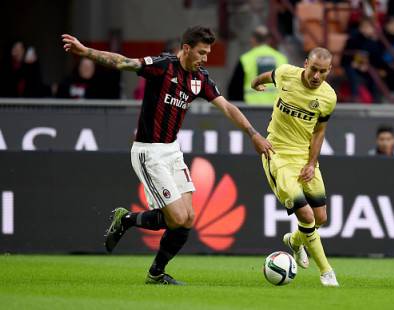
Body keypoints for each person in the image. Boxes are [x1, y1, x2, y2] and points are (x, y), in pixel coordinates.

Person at [62, 26, 273, 285]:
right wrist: (86, 52)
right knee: (175, 218)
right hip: (148, 152)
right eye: (201, 52)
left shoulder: (200, 79)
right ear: (186, 48)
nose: (205, 58)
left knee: (188, 219)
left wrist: (253, 134)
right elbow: (123, 62)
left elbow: (227, 107)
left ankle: (156, 274)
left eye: (208, 53)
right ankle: (126, 219)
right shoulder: (162, 66)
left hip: (172, 151)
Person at [251, 47, 339, 287]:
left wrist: (312, 163)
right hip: (276, 153)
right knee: (307, 214)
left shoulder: (328, 97)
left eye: (323, 72)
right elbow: (268, 76)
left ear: (329, 70)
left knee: (320, 217)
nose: (316, 76)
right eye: (313, 70)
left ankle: (294, 241)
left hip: (303, 157)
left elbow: (320, 131)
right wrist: (255, 83)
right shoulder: (286, 74)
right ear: (305, 64)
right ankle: (326, 272)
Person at [228, 25, 288, 105]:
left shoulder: (245, 59)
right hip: (276, 109)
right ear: (269, 40)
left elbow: (234, 90)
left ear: (253, 39)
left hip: (251, 108)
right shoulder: (281, 59)